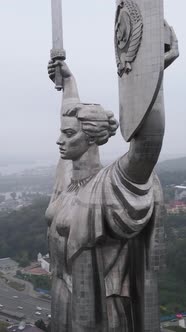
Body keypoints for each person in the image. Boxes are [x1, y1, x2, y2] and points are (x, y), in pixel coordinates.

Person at [46, 25, 179, 332]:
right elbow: (67, 112)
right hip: (62, 301)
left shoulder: (109, 186)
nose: (59, 141)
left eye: (68, 134)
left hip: (101, 313)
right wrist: (68, 79)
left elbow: (148, 143)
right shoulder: (66, 177)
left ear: (91, 138)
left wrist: (152, 74)